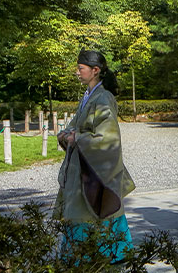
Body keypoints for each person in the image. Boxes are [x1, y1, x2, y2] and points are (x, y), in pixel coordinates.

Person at [55, 50, 135, 262]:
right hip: (83, 167)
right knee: (82, 210)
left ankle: (96, 256)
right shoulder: (89, 96)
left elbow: (107, 139)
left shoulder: (104, 98)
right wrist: (65, 135)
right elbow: (75, 126)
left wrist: (77, 138)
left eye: (81, 68)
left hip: (94, 170)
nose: (77, 72)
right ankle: (83, 257)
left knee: (92, 210)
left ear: (95, 71)